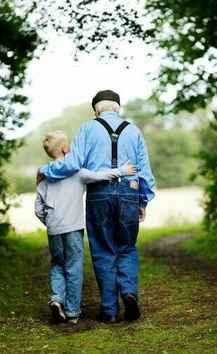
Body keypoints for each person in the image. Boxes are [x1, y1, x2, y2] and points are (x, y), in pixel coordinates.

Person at [37, 90, 155, 323]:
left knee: (102, 250)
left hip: (98, 195)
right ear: (118, 108)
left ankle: (109, 310)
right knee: (127, 247)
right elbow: (145, 173)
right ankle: (129, 293)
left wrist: (44, 171)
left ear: (96, 110)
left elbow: (70, 164)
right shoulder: (134, 131)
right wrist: (141, 200)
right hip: (129, 191)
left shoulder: (88, 128)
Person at [35, 130, 136, 324]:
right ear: (65, 149)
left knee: (58, 264)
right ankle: (72, 312)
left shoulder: (45, 177)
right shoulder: (77, 172)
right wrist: (122, 171)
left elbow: (38, 208)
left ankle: (57, 299)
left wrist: (49, 222)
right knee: (74, 268)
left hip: (54, 229)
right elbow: (100, 176)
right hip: (72, 227)